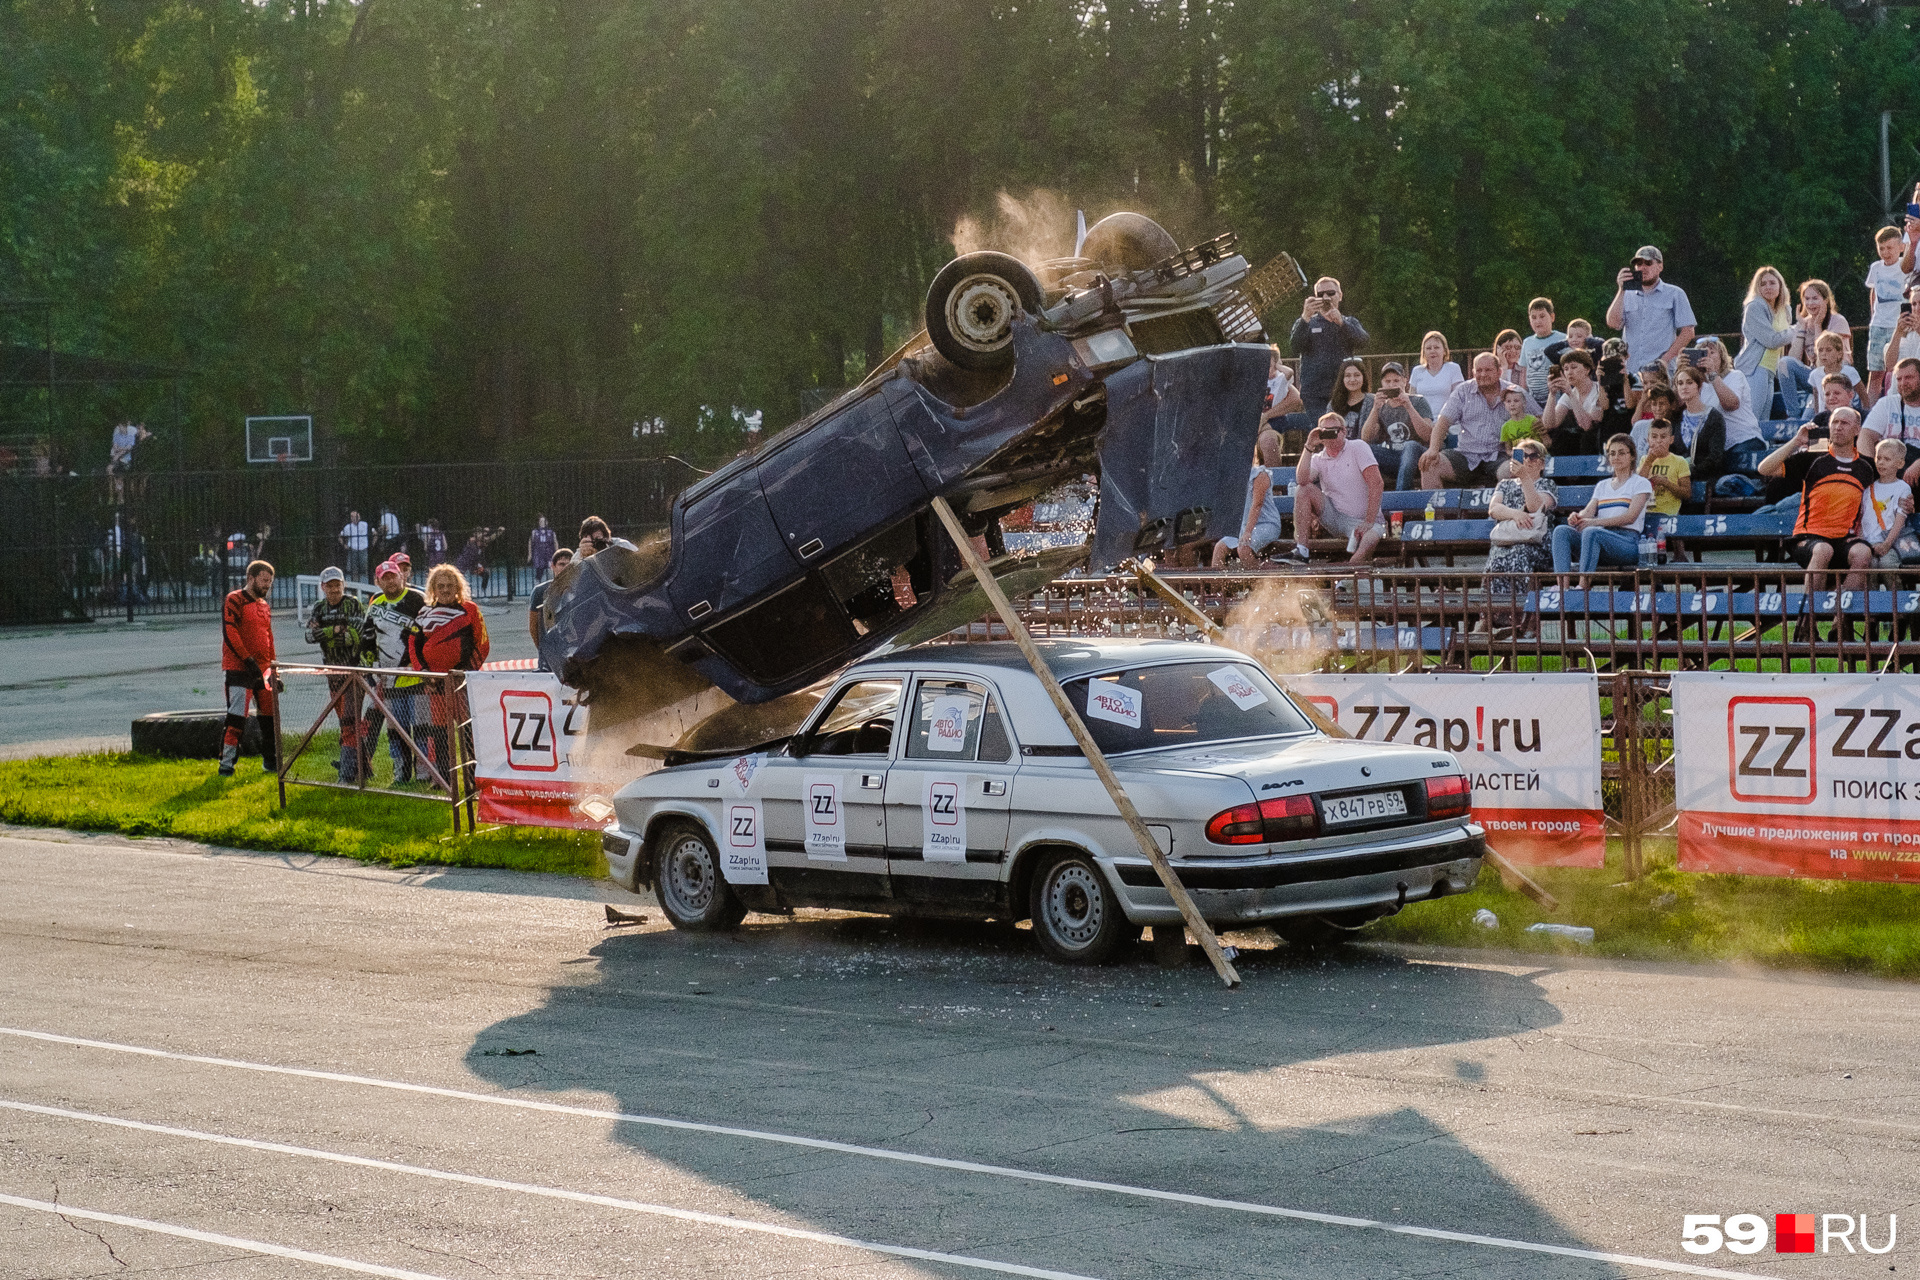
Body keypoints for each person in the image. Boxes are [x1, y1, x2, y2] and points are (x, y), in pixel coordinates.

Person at [1758, 407, 1877, 600]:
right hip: (1809, 538)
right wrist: (1796, 442)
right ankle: (1810, 619)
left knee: (1863, 553)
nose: (1838, 427)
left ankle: (1839, 618)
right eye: (1834, 423)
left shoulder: (1866, 467)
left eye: (1844, 423)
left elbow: (1891, 483)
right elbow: (1764, 469)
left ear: (1857, 430)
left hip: (1844, 538)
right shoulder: (1813, 459)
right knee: (1823, 549)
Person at [408, 565, 491, 788]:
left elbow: (482, 644)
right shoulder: (423, 613)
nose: (445, 590)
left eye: (449, 586)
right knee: (440, 733)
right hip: (435, 685)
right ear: (433, 588)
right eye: (440, 586)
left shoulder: (470, 610)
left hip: (463, 682)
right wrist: (424, 673)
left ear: (458, 587)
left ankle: (474, 780)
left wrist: (465, 672)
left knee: (469, 731)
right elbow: (413, 644)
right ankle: (444, 780)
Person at [1552, 434, 1652, 590]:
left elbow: (1630, 517)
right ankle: (1562, 588)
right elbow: (1588, 512)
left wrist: (1595, 522)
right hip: (1598, 541)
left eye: (1621, 453)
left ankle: (1582, 587)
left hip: (1627, 543)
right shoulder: (1602, 485)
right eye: (1612, 453)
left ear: (1632, 456)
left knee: (1592, 532)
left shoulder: (1640, 483)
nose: (1616, 457)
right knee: (1561, 531)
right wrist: (1576, 517)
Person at [1421, 352, 1536, 489]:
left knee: (1515, 470)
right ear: (1473, 372)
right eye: (1479, 370)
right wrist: (1433, 449)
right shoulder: (1462, 391)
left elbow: (1538, 418)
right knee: (1429, 464)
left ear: (1499, 372)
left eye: (1488, 370)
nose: (1483, 374)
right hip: (1466, 454)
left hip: (1501, 454)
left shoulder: (1514, 392)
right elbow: (1442, 423)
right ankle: (1435, 510)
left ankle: (1506, 510)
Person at [1482, 441, 1558, 637]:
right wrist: (1516, 514)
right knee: (1497, 555)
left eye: (1531, 456)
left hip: (1536, 544)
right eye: (1521, 456)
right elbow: (1494, 509)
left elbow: (1535, 508)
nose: (1526, 460)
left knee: (1519, 553)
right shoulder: (1505, 484)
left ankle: (1526, 619)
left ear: (1541, 463)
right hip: (1507, 540)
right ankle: (1489, 617)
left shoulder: (1547, 484)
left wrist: (1525, 478)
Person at [302, 566, 370, 783]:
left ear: (344, 585)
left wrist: (327, 634)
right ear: (322, 587)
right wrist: (336, 630)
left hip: (352, 671)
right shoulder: (319, 607)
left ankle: (347, 773)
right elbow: (309, 636)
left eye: (337, 585)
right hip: (331, 673)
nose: (333, 589)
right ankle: (363, 766)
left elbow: (353, 637)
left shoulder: (353, 604)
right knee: (345, 721)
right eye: (329, 585)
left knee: (351, 720)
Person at [361, 560, 427, 783]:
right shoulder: (375, 604)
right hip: (388, 680)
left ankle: (425, 773)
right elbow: (367, 639)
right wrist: (372, 671)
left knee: (421, 728)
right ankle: (401, 774)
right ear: (378, 581)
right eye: (385, 578)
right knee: (395, 730)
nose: (390, 581)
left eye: (393, 576)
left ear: (402, 576)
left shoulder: (418, 599)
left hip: (417, 677)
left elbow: (429, 635)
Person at [1292, 413, 1384, 564]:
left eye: (1333, 431)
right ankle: (1302, 549)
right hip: (1335, 517)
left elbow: (1377, 483)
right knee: (1303, 489)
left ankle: (1345, 580)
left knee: (1368, 542)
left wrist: (1368, 521)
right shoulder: (1318, 458)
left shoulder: (1358, 447)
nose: (1330, 435)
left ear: (1344, 431)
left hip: (1365, 520)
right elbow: (1301, 480)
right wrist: (1309, 446)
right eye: (1324, 432)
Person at [219, 559, 279, 778]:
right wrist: (248, 660)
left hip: (264, 670)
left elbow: (268, 638)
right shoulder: (234, 599)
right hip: (239, 669)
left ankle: (271, 762)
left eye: (269, 582)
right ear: (251, 578)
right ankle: (226, 765)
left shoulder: (264, 605)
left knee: (270, 718)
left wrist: (274, 670)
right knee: (236, 718)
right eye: (264, 581)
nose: (267, 586)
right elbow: (230, 632)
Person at [1605, 245, 1696, 370]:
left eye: (1648, 263)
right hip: (1632, 370)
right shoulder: (1626, 295)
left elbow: (1688, 332)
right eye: (1638, 264)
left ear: (1660, 266)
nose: (1642, 267)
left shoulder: (1675, 293)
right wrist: (1621, 290)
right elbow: (1613, 324)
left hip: (1661, 371)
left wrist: (1665, 360)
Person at [1287, 277, 1368, 417]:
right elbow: (1295, 346)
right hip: (1314, 391)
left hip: (1343, 388)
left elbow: (1363, 341)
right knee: (1321, 431)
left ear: (1340, 295)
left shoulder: (1349, 321)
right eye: (1320, 294)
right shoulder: (1306, 323)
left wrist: (1342, 323)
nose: (1326, 298)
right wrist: (1305, 316)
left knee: (1343, 430)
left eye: (1331, 293)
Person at [1777, 278, 1852, 420]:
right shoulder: (1804, 323)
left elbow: (1825, 361)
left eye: (1815, 298)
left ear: (1825, 300)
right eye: (1807, 299)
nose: (1810, 303)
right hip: (1815, 377)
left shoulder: (1838, 321)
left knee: (1809, 421)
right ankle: (1792, 415)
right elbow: (1792, 360)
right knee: (1784, 363)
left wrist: (1818, 326)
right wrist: (1801, 327)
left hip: (1836, 376)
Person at [1688, 336, 1763, 475]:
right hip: (1715, 448)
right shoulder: (1698, 386)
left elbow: (1730, 404)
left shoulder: (1735, 376)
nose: (1708, 357)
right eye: (1703, 353)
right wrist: (1683, 371)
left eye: (1712, 352)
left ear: (1722, 356)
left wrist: (1712, 374)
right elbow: (1679, 408)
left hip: (1743, 440)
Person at [1212, 430, 1287, 567]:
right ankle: (1218, 588)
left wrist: (1247, 532)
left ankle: (1257, 586)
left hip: (1265, 524)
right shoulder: (1231, 477)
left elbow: (1257, 505)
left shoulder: (1260, 474)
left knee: (1243, 548)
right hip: (1244, 526)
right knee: (1219, 548)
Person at [1359, 361, 1435, 491]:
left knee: (1409, 446)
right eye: (1387, 382)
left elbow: (1428, 435)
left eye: (1396, 381)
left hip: (1418, 457)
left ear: (1404, 381)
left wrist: (1408, 406)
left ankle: (1400, 499)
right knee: (1362, 449)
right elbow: (1366, 438)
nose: (1392, 385)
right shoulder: (1380, 406)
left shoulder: (1418, 401)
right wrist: (1375, 409)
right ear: (1382, 384)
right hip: (1394, 457)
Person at [1734, 266, 1794, 424]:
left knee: (1764, 420)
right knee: (1753, 417)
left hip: (1770, 370)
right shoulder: (1754, 307)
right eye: (1763, 283)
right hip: (1755, 368)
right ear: (1757, 288)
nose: (1768, 287)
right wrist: (1796, 330)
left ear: (1780, 285)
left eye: (1772, 283)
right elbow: (1772, 341)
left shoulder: (1784, 309)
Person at [1866, 227, 1909, 407]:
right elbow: (1873, 293)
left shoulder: (1905, 266)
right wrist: (1873, 317)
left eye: (1889, 248)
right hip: (1879, 325)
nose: (1885, 252)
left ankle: (1899, 405)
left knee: (1899, 370)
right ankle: (1870, 408)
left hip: (1897, 326)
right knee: (1876, 372)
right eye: (1881, 248)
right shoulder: (1876, 268)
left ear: (1900, 247)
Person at [1861, 437, 1913, 581]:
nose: (1881, 462)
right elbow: (1861, 517)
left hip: (1890, 543)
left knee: (1888, 565)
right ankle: (1870, 602)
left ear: (1900, 463)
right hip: (1868, 543)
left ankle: (1896, 602)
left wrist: (1886, 544)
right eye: (1879, 458)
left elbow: (1900, 519)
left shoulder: (1902, 488)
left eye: (1887, 459)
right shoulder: (1868, 489)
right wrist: (1862, 542)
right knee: (1868, 568)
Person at [1862, 357, 1920, 481]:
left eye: (1909, 377)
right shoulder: (1887, 404)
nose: (1903, 383)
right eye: (1899, 379)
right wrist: (1872, 467)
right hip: (1891, 471)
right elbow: (1865, 437)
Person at [1640, 419, 1693, 553]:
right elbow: (1636, 485)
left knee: (1658, 523)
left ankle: (1677, 556)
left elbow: (1687, 493)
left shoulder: (1679, 461)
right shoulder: (1644, 460)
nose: (1658, 441)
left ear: (1671, 440)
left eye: (1663, 437)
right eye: (1654, 437)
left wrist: (1666, 483)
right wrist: (1649, 460)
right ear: (1648, 440)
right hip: (1645, 511)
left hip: (1669, 511)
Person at [1543, 349, 1604, 457]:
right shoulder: (1569, 394)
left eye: (1574, 367)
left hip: (1598, 441)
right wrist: (1552, 394)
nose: (1569, 372)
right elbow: (1549, 424)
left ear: (1587, 369)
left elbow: (1587, 426)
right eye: (1566, 369)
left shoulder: (1599, 391)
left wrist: (1571, 395)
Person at [1794, 332, 1862, 424]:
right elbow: (1816, 397)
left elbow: (1863, 396)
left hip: (1846, 416)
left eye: (1829, 350)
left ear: (1839, 353)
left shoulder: (1850, 372)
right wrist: (1818, 416)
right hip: (1825, 418)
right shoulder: (1815, 374)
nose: (1823, 354)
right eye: (1820, 350)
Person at [528, 546, 575, 654]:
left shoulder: (579, 589)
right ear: (552, 566)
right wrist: (544, 651)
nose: (566, 568)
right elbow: (533, 627)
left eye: (569, 564)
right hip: (550, 649)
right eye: (561, 564)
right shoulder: (540, 591)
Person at [1519, 298, 1566, 404]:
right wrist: (1524, 396)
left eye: (1542, 316)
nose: (1538, 321)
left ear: (1552, 317)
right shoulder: (1527, 342)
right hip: (1533, 400)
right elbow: (1524, 372)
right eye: (1534, 317)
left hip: (1558, 399)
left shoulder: (1563, 339)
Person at [1260, 344, 1305, 439]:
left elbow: (1289, 372)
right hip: (1263, 414)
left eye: (1270, 365)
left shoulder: (1281, 378)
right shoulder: (1261, 379)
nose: (1267, 369)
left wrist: (1277, 365)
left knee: (1263, 429)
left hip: (1277, 417)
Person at [1409, 331, 1465, 406]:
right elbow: (1412, 401)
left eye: (1436, 347)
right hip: (1422, 417)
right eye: (1428, 348)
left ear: (1444, 351)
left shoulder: (1453, 368)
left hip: (1447, 416)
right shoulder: (1417, 371)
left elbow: (1460, 398)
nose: (1432, 351)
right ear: (1424, 352)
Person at [107, 421, 152, 503]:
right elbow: (116, 449)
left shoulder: (146, 440)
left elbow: (128, 449)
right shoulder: (135, 438)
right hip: (132, 464)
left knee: (140, 482)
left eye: (140, 428)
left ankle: (141, 500)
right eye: (138, 428)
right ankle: (117, 497)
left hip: (138, 463)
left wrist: (120, 453)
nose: (139, 430)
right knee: (112, 472)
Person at [1328, 358, 1372, 437]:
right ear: (1342, 379)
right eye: (1348, 376)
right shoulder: (1333, 404)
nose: (1352, 379)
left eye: (1357, 375)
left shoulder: (1372, 401)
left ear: (1363, 377)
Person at [454, 526, 505, 592]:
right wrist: (485, 532)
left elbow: (490, 538)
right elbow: (476, 538)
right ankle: (457, 592)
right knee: (458, 578)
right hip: (464, 562)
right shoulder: (471, 541)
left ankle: (483, 591)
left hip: (473, 564)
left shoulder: (482, 541)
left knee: (486, 573)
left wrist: (499, 532)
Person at [338, 510, 371, 583]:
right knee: (354, 569)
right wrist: (344, 545)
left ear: (359, 516)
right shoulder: (348, 527)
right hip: (353, 549)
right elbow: (340, 536)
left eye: (356, 516)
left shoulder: (365, 525)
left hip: (363, 548)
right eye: (352, 516)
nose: (354, 518)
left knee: (365, 567)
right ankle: (356, 584)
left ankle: (367, 584)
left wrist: (371, 545)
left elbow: (374, 533)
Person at [528, 515, 559, 583]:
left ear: (547, 522)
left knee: (551, 571)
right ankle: (537, 586)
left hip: (549, 554)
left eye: (544, 521)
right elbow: (530, 542)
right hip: (539, 554)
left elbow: (555, 542)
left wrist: (557, 553)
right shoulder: (535, 532)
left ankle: (552, 586)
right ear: (539, 522)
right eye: (541, 521)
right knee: (539, 571)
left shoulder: (551, 532)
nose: (542, 523)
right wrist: (530, 554)